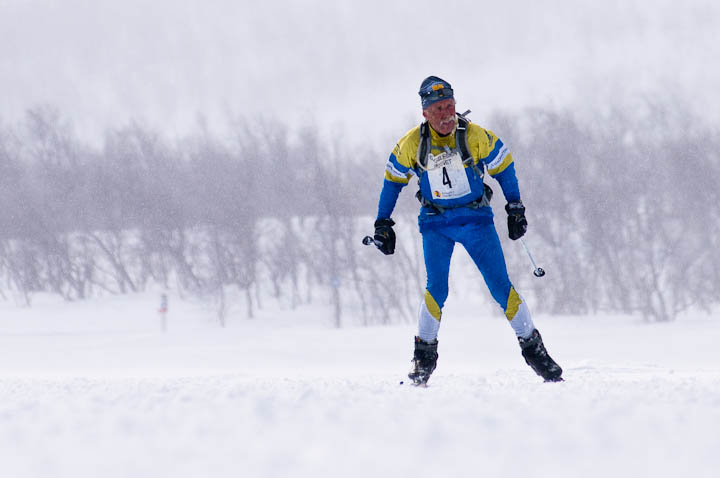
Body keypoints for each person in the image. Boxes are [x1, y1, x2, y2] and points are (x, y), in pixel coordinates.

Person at [371, 76, 562, 385]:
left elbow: (504, 166)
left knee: (501, 287)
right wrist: (383, 223)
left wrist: (515, 207)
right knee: (437, 289)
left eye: (450, 106)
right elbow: (392, 182)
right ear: (425, 113)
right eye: (438, 109)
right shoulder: (412, 143)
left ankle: (535, 352)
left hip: (476, 221)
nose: (446, 115)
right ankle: (423, 359)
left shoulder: (474, 136)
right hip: (436, 225)